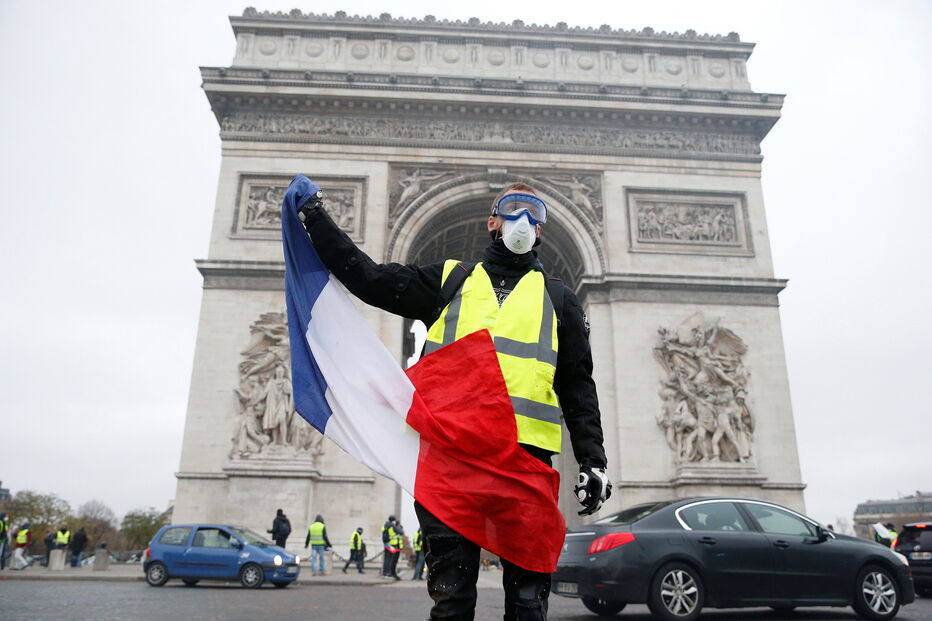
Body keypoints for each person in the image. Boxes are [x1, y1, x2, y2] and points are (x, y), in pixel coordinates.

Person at [299, 180, 611, 620]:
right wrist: (315, 218)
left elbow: (579, 390)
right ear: (493, 221)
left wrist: (593, 460)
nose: (522, 220)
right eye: (512, 209)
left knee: (528, 606)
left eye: (533, 213)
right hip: (451, 460)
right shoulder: (449, 280)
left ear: (540, 230)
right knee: (452, 599)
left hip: (526, 466)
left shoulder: (561, 300)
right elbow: (367, 277)